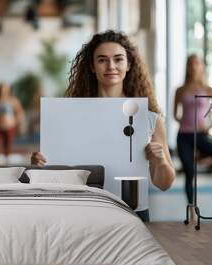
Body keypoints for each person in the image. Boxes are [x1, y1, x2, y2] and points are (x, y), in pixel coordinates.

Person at [31, 30, 176, 221]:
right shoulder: (69, 116)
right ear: (92, 66)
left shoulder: (149, 118)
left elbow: (164, 184)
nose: (111, 66)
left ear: (128, 64)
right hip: (83, 210)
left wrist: (161, 162)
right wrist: (40, 165)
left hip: (132, 211)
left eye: (118, 59)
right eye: (102, 60)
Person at [174, 54, 212, 207]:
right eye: (190, 64)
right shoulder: (180, 90)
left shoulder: (208, 89)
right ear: (187, 67)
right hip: (184, 136)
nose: (194, 66)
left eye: (197, 63)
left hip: (201, 135)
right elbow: (175, 114)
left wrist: (211, 126)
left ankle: (204, 158)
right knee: (190, 172)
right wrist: (185, 122)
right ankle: (191, 208)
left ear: (202, 66)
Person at [0, 83, 25, 165]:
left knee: (8, 145)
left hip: (9, 127)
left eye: (5, 89)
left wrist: (15, 121)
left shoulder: (13, 100)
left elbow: (20, 113)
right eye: (1, 89)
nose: (3, 91)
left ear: (8, 90)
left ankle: (7, 162)